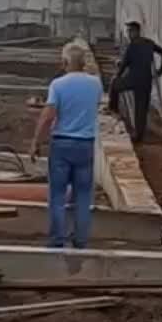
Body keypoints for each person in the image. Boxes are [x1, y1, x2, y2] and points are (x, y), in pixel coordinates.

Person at [31, 44, 103, 250]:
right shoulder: (96, 84)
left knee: (57, 196)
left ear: (64, 63)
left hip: (62, 144)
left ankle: (57, 241)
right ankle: (81, 241)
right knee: (82, 196)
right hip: (86, 145)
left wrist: (37, 141)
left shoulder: (58, 85)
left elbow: (48, 115)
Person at [109, 20, 162, 143]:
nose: (128, 34)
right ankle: (139, 136)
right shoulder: (149, 43)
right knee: (141, 109)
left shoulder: (132, 46)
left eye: (130, 31)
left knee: (114, 85)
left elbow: (124, 65)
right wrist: (160, 70)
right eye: (128, 31)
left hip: (133, 79)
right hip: (146, 81)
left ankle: (113, 108)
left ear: (136, 31)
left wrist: (117, 75)